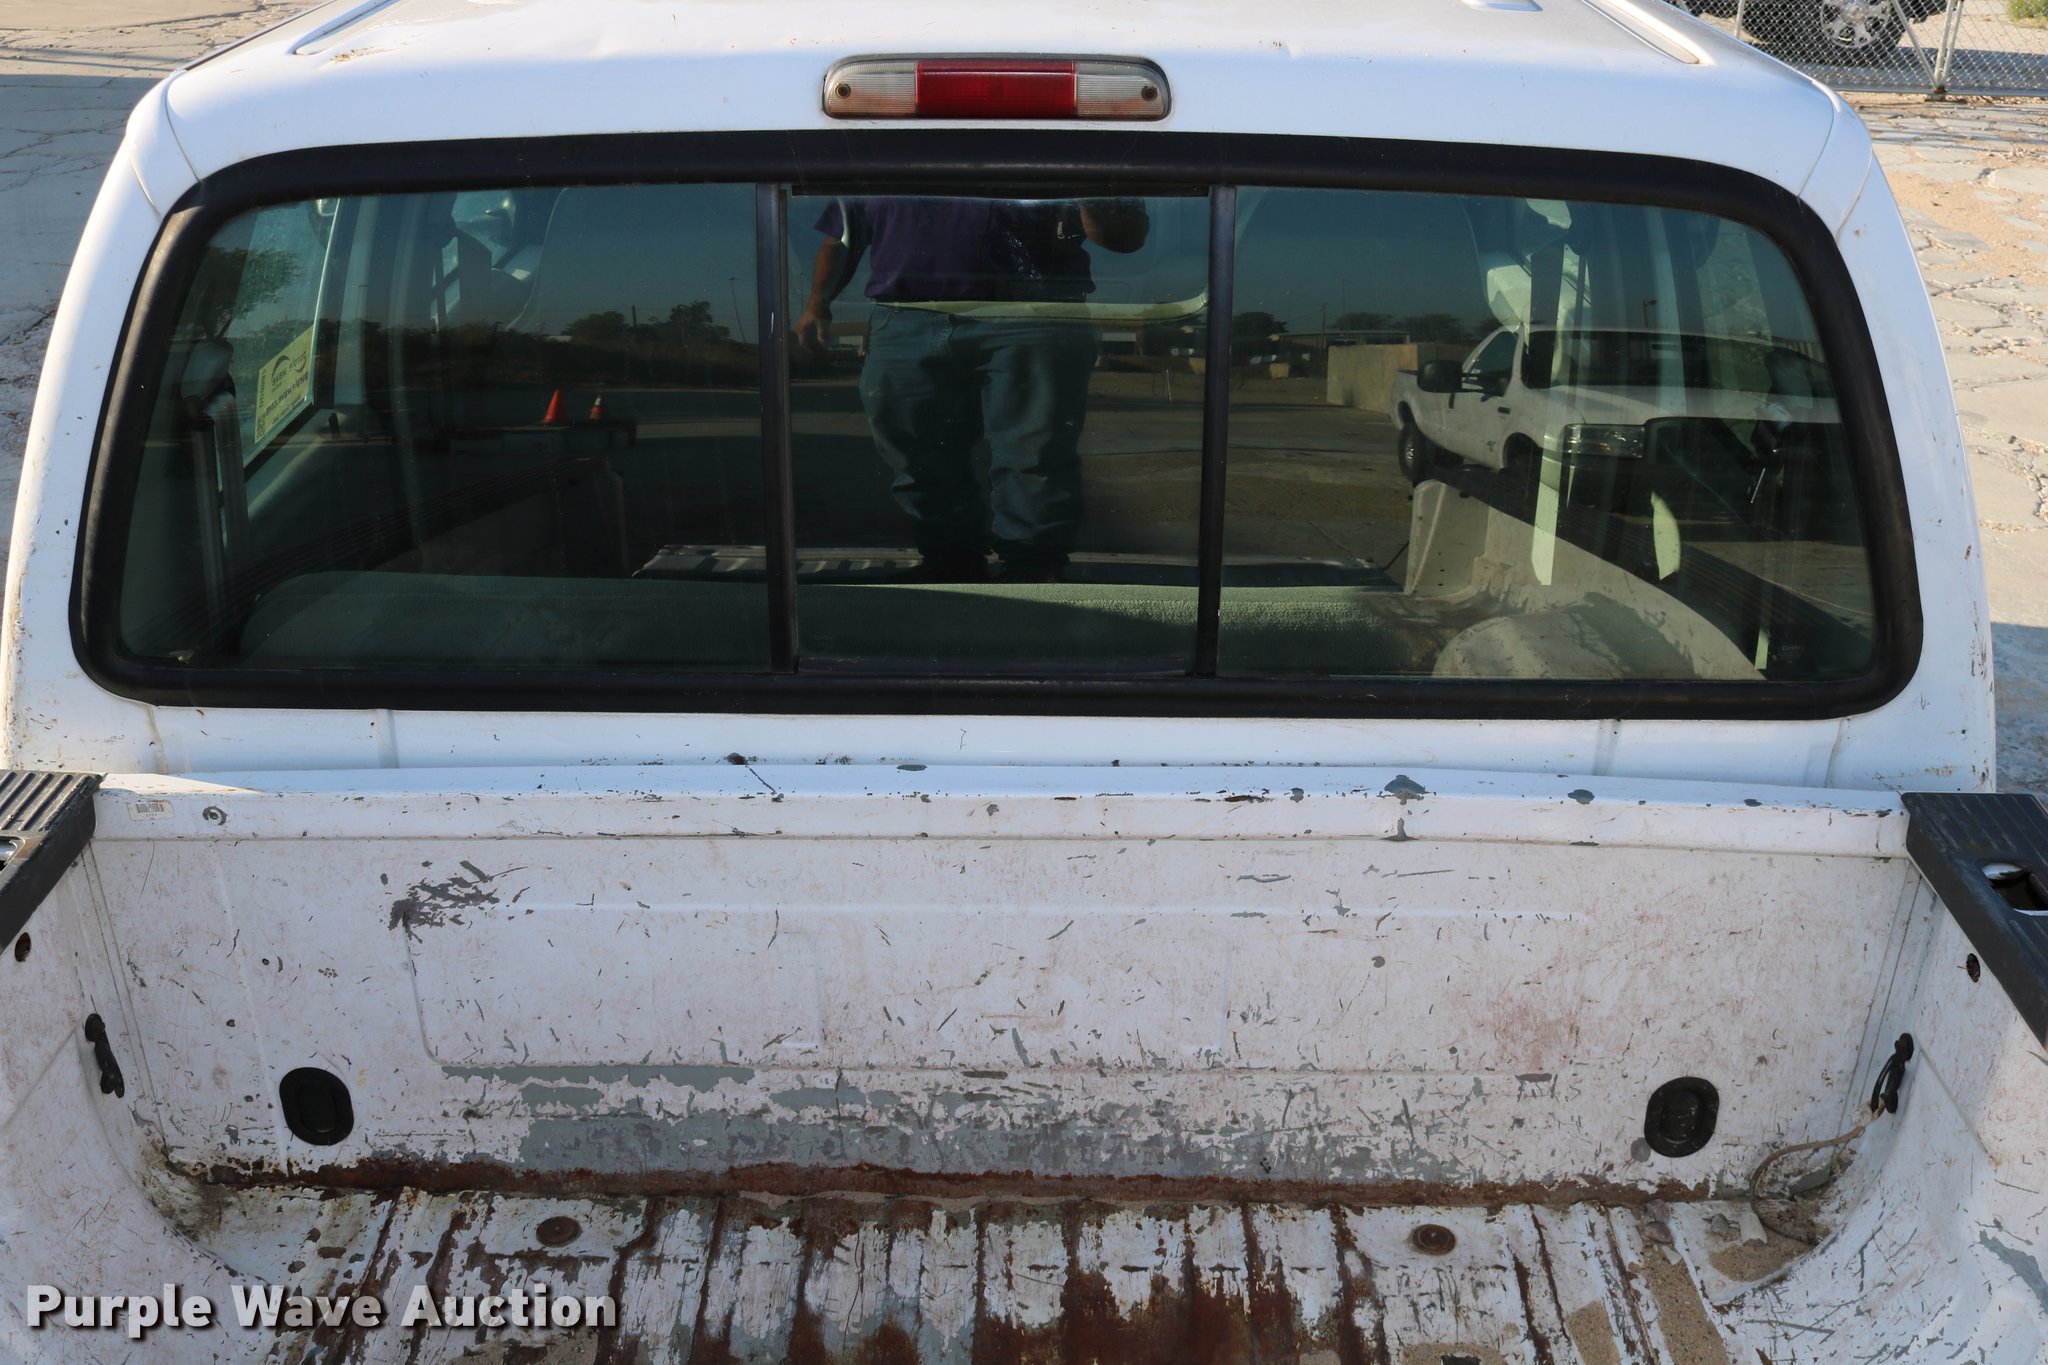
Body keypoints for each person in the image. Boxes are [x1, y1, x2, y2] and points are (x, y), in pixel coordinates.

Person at [794, 196, 1149, 581]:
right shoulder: (874, 160)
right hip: (905, 317)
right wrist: (817, 305)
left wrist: (1086, 192)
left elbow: (1127, 237)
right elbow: (842, 238)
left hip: (1034, 314)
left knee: (1035, 455)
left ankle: (1032, 575)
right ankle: (949, 564)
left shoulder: (1069, 154)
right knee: (917, 455)